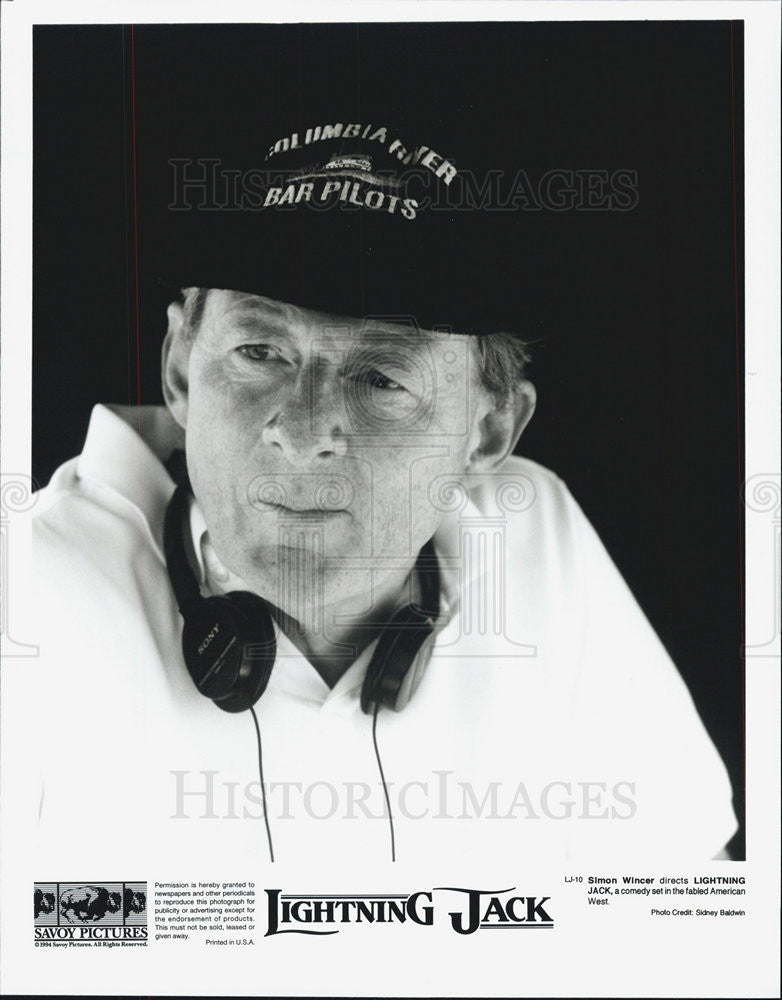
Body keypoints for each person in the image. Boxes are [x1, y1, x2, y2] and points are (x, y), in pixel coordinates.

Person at [24, 120, 738, 872]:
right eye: (258, 351)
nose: (301, 432)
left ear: (489, 433)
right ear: (179, 374)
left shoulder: (537, 540)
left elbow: (690, 903)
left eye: (381, 378)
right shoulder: (32, 596)